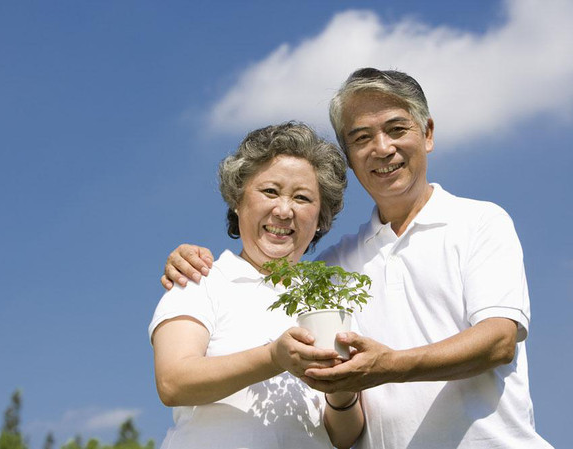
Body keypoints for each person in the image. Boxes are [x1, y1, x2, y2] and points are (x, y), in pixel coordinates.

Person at [160, 69, 553, 448]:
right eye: (362, 137)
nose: (382, 148)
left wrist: (386, 367)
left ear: (428, 133)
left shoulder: (480, 221)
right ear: (350, 155)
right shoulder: (331, 272)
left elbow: (499, 340)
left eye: (397, 129)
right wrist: (187, 259)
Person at [149, 122, 364, 449]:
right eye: (270, 191)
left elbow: (343, 436)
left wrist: (343, 392)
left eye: (303, 198)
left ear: (320, 218)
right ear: (237, 201)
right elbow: (173, 382)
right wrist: (274, 357)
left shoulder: (328, 299)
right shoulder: (201, 278)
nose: (283, 210)